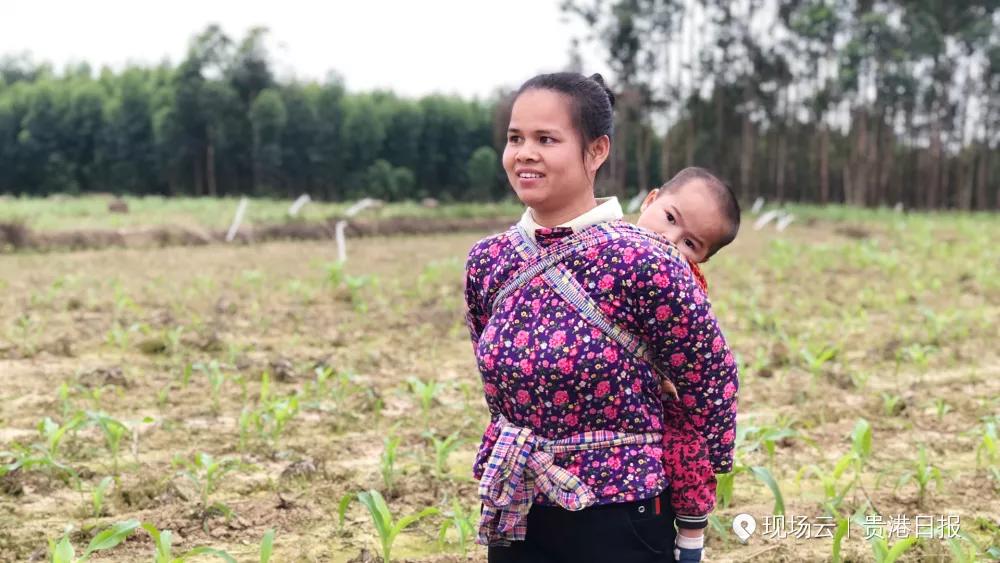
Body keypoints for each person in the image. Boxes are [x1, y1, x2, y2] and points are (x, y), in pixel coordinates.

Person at [463, 71, 739, 563]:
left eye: (546, 139)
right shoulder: (487, 261)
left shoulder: (649, 262)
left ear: (596, 151)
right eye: (515, 138)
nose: (525, 152)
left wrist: (699, 483)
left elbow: (709, 377)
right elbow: (494, 382)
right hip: (518, 504)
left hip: (620, 512)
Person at [634, 166, 742, 561]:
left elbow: (700, 362)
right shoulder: (602, 246)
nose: (670, 241)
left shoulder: (685, 286)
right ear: (651, 199)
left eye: (690, 243)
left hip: (665, 397)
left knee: (690, 456)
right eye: (669, 219)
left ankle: (692, 538)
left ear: (703, 259)